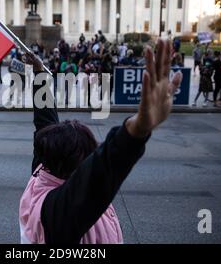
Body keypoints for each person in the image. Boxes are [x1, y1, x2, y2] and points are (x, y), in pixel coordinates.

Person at [20, 40, 182, 244]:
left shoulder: (43, 169)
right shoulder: (58, 212)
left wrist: (39, 73)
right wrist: (136, 131)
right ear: (76, 168)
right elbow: (99, 175)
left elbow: (45, 120)